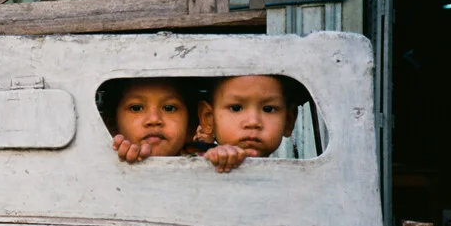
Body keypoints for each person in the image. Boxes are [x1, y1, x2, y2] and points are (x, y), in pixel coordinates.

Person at [102, 77, 247, 173]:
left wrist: (224, 157)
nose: (154, 119)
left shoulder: (205, 158)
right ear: (112, 125)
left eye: (169, 108)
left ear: (191, 126)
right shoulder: (102, 160)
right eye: (136, 108)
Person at [196, 75, 302, 166]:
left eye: (268, 109)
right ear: (208, 118)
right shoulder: (194, 165)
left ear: (289, 120)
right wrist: (213, 160)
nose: (253, 122)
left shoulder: (297, 179)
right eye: (236, 108)